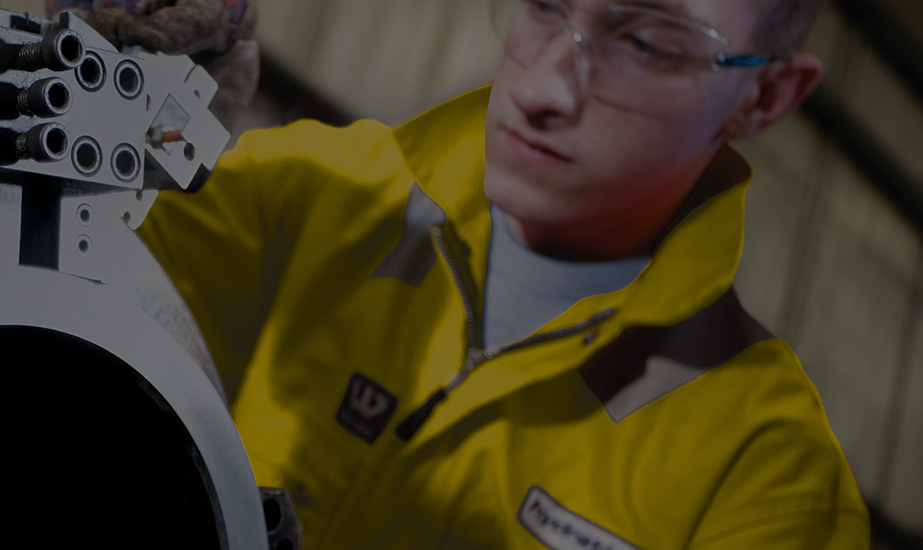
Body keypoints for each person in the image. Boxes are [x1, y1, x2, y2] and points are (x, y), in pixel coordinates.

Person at [67, 0, 871, 546]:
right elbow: (58, 303)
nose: (541, 87)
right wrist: (108, 137)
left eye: (647, 44)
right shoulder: (314, 195)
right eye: (546, 5)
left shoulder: (765, 479)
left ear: (765, 95)